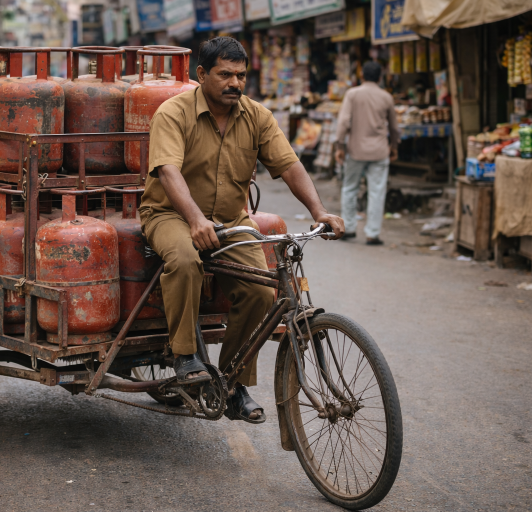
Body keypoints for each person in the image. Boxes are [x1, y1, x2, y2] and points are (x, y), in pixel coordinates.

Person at [140, 37, 344, 424]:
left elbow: (288, 165)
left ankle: (232, 384)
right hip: (171, 215)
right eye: (225, 74)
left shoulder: (257, 116)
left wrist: (320, 211)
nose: (235, 83)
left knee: (260, 291)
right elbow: (168, 170)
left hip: (232, 221)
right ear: (201, 74)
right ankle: (184, 355)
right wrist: (196, 220)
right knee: (184, 260)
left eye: (240, 75)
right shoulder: (173, 113)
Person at [335, 61, 401, 245]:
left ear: (362, 76)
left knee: (349, 189)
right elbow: (395, 128)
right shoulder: (386, 97)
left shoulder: (352, 94)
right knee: (377, 192)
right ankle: (372, 233)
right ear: (381, 78)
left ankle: (347, 227)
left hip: (356, 150)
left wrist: (340, 146)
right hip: (379, 151)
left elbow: (343, 123)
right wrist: (394, 147)